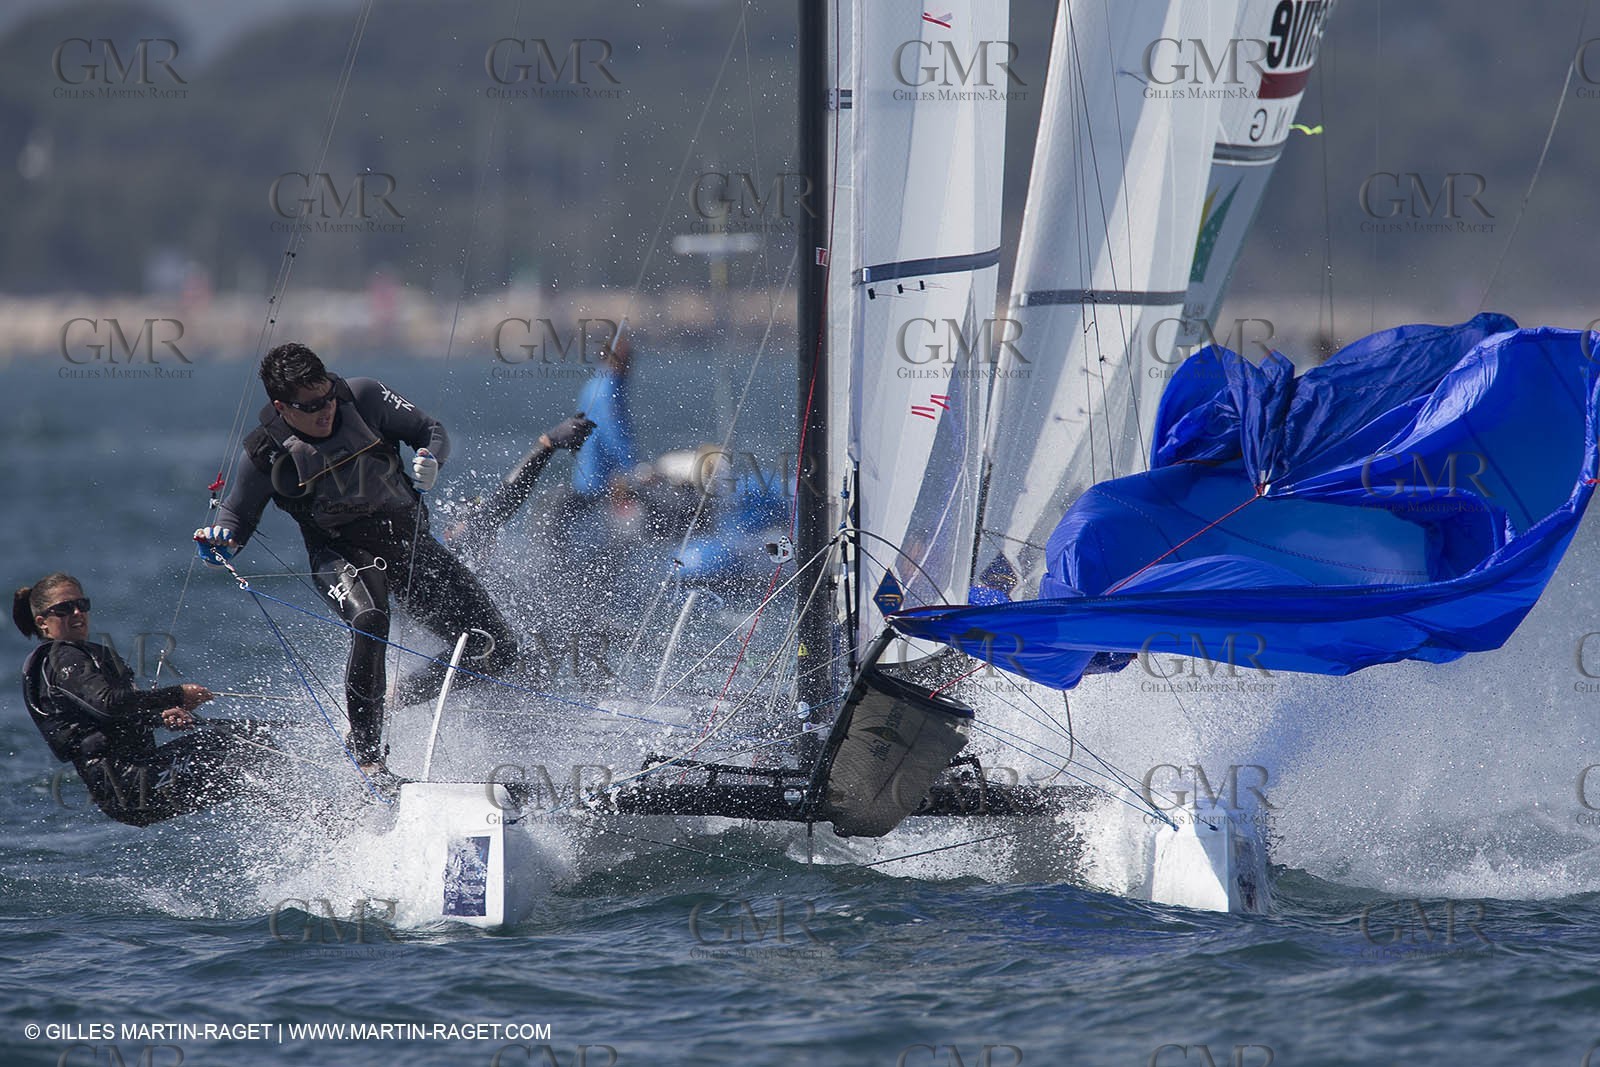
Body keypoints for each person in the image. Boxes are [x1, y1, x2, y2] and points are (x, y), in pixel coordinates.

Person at [194, 342, 590, 773]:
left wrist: (431, 458)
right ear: (281, 406)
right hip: (340, 553)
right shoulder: (266, 451)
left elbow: (430, 430)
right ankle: (368, 759)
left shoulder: (363, 397)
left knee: (494, 647)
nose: (325, 410)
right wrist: (221, 540)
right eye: (310, 406)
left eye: (327, 396)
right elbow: (236, 515)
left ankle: (394, 697)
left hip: (408, 544)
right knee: (370, 621)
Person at [14, 572, 259, 826]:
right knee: (244, 747)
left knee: (246, 741)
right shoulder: (62, 658)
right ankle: (299, 827)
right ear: (43, 622)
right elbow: (108, 705)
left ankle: (295, 837)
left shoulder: (82, 655)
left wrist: (159, 717)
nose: (77, 613)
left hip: (134, 781)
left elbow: (109, 716)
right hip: (128, 782)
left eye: (82, 605)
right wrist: (176, 695)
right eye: (64, 609)